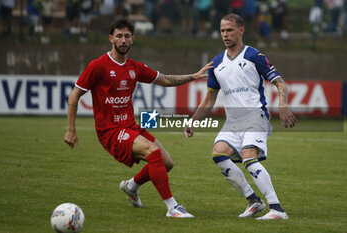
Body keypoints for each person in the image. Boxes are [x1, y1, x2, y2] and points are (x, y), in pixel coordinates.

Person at [64, 18, 212, 218]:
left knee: (167, 163)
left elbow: (166, 80)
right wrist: (71, 130)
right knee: (153, 153)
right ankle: (172, 208)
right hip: (110, 132)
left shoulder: (135, 67)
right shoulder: (98, 65)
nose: (123, 40)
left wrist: (193, 76)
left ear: (133, 39)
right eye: (119, 36)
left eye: (127, 36)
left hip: (130, 127)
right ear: (111, 39)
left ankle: (131, 186)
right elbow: (75, 94)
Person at [184, 13, 296, 220]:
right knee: (218, 154)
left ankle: (277, 209)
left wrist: (283, 105)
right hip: (233, 121)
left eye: (229, 30)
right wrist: (192, 121)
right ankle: (253, 200)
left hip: (255, 115)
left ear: (241, 30)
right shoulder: (216, 63)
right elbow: (209, 99)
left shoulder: (254, 56)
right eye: (222, 31)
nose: (225, 34)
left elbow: (280, 83)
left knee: (249, 157)